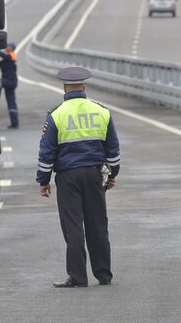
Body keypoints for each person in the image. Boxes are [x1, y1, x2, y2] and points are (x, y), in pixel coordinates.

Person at [36, 66, 121, 288]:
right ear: (84, 87)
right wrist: (112, 175)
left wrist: (43, 180)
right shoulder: (102, 111)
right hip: (94, 175)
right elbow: (113, 148)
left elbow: (47, 152)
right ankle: (104, 275)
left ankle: (78, 277)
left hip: (68, 177)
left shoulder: (56, 114)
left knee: (73, 227)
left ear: (64, 88)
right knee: (98, 225)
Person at [0, 43, 18, 129]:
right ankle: (15, 123)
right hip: (10, 82)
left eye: (8, 46)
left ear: (12, 48)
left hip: (10, 81)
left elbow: (4, 56)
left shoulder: (11, 57)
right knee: (11, 103)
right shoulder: (6, 60)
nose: (7, 47)